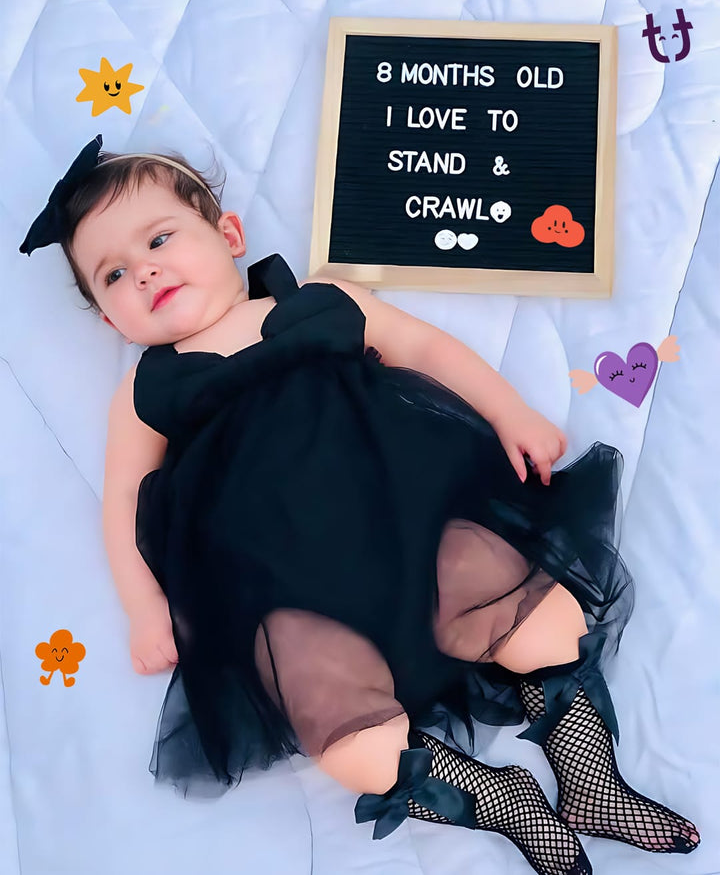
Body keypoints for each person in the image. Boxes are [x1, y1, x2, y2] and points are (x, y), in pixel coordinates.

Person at [20, 135, 700, 875]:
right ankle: (502, 800)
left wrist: (510, 412)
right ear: (111, 321)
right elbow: (121, 502)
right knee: (353, 746)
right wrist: (143, 607)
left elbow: (426, 348)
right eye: (113, 275)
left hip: (412, 520)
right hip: (280, 589)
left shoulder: (317, 302)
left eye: (158, 239)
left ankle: (593, 782)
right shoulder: (146, 391)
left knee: (543, 622)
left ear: (228, 236)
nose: (143, 270)